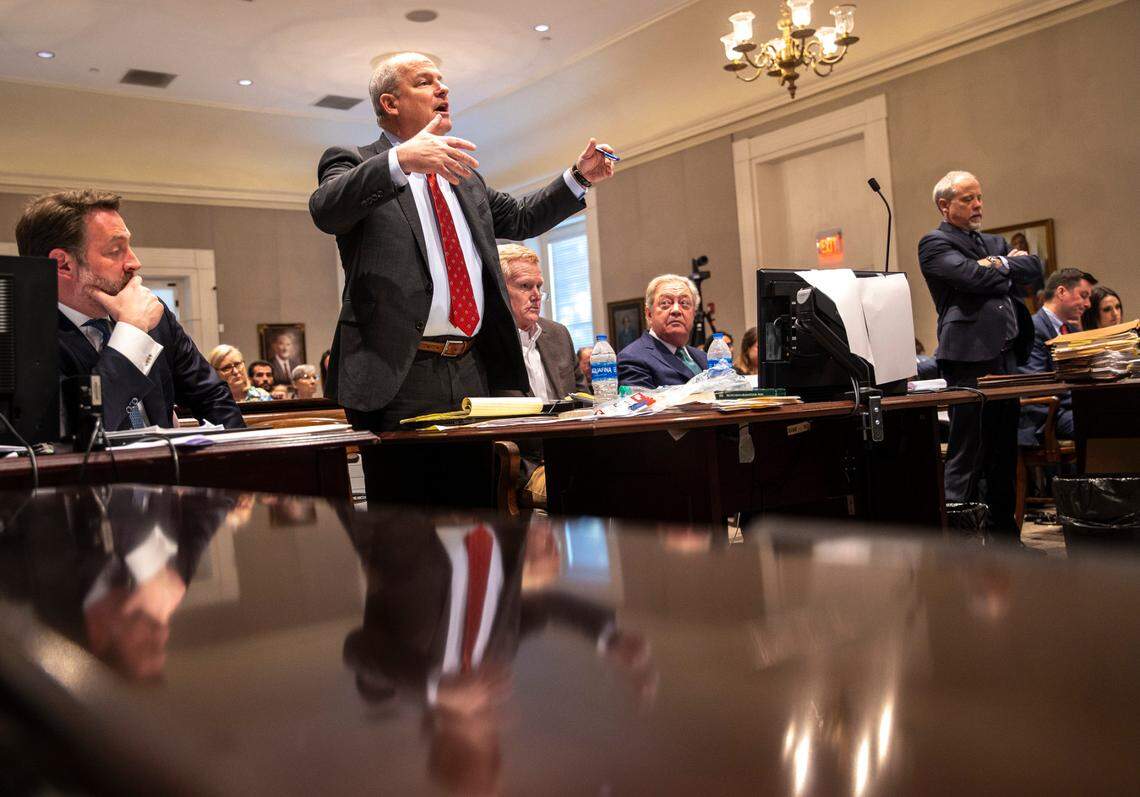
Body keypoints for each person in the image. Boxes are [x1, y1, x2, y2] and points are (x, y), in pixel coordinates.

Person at [309, 52, 613, 496]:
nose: (443, 88)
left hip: (473, 364)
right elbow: (326, 209)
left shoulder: (462, 176)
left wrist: (577, 178)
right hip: (401, 372)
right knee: (409, 531)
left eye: (443, 80)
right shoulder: (354, 161)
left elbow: (523, 217)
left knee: (480, 516)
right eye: (426, 81)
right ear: (391, 103)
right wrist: (402, 161)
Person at [15, 190, 243, 432]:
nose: (134, 262)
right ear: (63, 264)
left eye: (129, 247)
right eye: (115, 251)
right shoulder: (22, 337)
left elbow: (212, 395)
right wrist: (132, 333)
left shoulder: (154, 314)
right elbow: (81, 429)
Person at [918, 171, 1043, 534]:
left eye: (979, 198)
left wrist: (997, 264)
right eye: (968, 199)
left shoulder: (993, 242)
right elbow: (970, 278)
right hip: (969, 357)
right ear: (945, 205)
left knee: (1004, 450)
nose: (978, 205)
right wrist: (1003, 268)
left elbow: (1033, 269)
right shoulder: (935, 242)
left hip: (1005, 355)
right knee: (968, 452)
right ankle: (959, 540)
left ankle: (1005, 536)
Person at [497, 244, 584, 403]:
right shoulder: (486, 339)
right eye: (525, 286)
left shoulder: (559, 334)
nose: (537, 295)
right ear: (499, 289)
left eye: (539, 286)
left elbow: (583, 397)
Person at [1018, 268, 1096, 443]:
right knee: (1111, 426)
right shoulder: (1033, 328)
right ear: (1061, 292)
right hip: (1048, 416)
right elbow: (1036, 385)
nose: (1088, 304)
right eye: (1083, 295)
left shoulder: (1071, 329)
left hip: (1072, 409)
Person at [617, 274, 708, 388]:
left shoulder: (704, 357)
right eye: (665, 303)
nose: (676, 310)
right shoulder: (633, 358)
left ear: (694, 314)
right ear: (649, 314)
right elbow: (641, 404)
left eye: (684, 303)